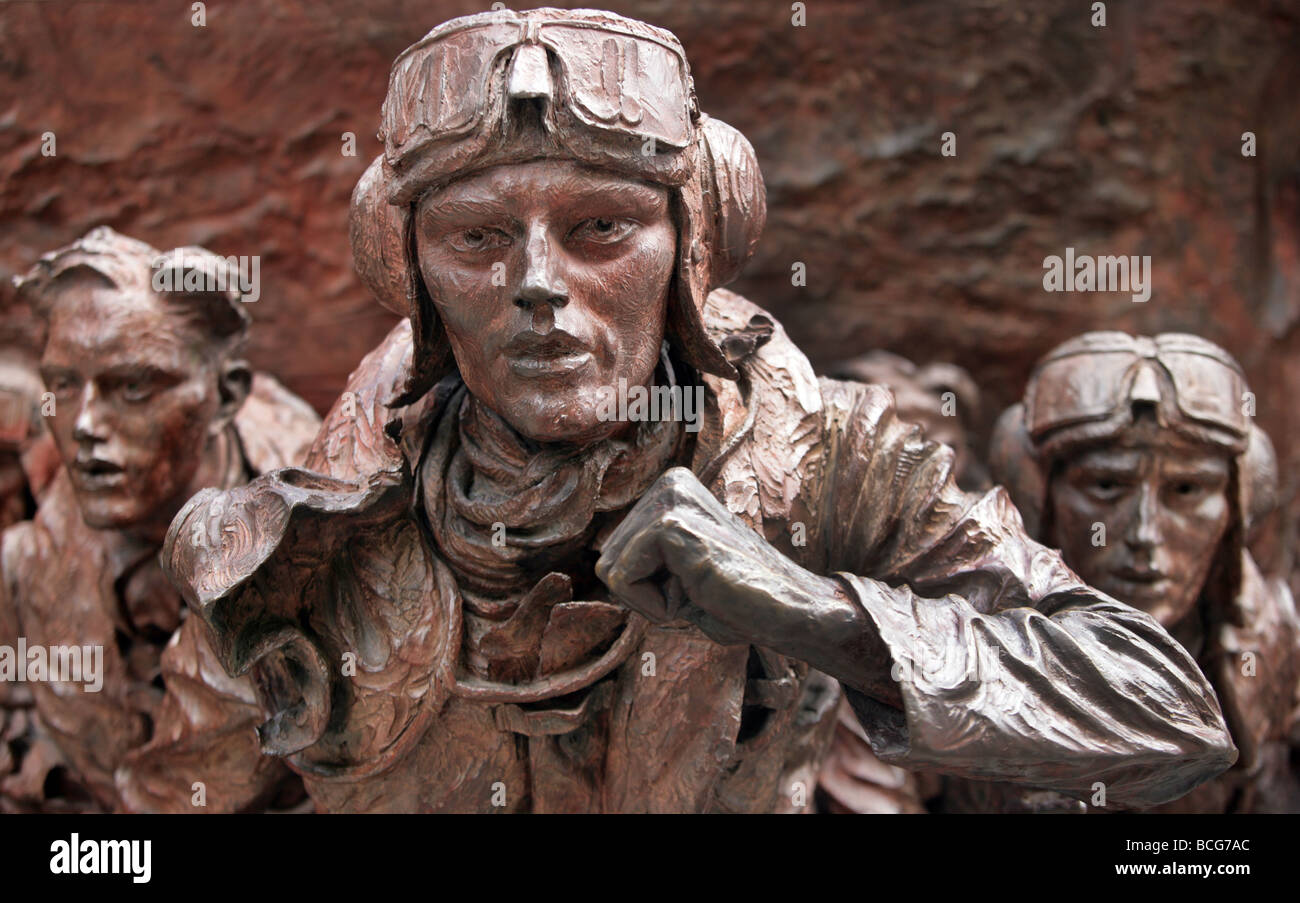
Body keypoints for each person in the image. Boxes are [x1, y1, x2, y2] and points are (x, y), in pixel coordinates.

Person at [165, 8, 1234, 813]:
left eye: (599, 228)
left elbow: (1165, 713)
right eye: (479, 238)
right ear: (410, 273)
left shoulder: (831, 460)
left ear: (695, 247)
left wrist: (817, 615)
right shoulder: (313, 522)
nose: (537, 282)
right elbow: (168, 806)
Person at [0, 226, 320, 812]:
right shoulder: (27, 566)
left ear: (224, 398)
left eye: (132, 386)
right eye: (65, 386)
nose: (84, 424)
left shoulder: (321, 544)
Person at [970, 331, 1300, 813]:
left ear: (1237, 506)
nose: (1145, 532)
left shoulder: (1278, 650)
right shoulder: (962, 654)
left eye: (1186, 490)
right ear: (1037, 497)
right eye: (1106, 485)